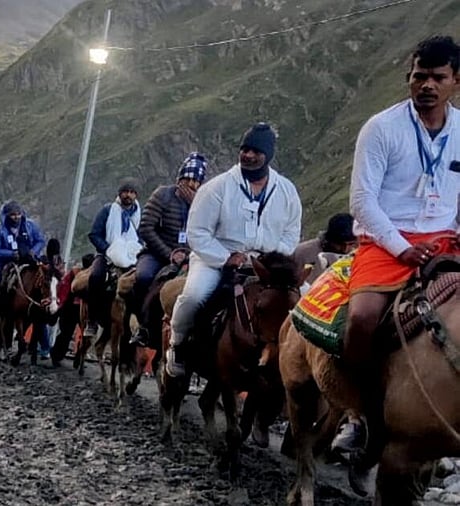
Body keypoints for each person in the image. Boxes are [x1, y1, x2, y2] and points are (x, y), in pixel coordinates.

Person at [330, 36, 460, 474]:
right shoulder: (381, 128)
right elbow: (363, 201)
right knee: (363, 319)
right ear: (409, 77)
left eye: (437, 77)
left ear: (455, 82)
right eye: (418, 75)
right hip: (387, 243)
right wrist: (404, 248)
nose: (426, 84)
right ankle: (361, 418)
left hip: (447, 241)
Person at [166, 122, 302, 377]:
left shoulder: (287, 191)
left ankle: (298, 361)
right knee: (193, 296)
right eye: (245, 149)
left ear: (268, 155)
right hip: (214, 258)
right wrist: (226, 257)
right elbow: (198, 233)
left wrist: (271, 258)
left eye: (256, 151)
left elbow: (291, 233)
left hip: (265, 264)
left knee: (303, 301)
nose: (248, 155)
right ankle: (178, 345)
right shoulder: (216, 188)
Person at [130, 153, 208, 347]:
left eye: (196, 181)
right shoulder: (162, 195)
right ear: (179, 178)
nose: (191, 185)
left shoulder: (205, 203)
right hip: (157, 253)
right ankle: (142, 326)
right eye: (187, 179)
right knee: (144, 277)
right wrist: (169, 253)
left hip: (190, 256)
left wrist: (196, 206)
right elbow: (146, 228)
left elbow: (207, 231)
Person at [83, 178, 142, 339]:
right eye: (125, 192)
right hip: (106, 254)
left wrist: (136, 250)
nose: (128, 195)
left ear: (136, 195)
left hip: (130, 256)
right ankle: (92, 320)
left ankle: (139, 325)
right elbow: (94, 234)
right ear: (120, 193)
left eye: (131, 192)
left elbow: (141, 237)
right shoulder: (108, 210)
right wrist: (108, 250)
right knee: (96, 277)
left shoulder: (139, 215)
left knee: (142, 281)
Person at [0, 200, 46, 323]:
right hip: (6, 261)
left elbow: (40, 240)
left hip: (29, 258)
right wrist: (11, 254)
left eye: (18, 214)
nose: (16, 217)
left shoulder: (30, 225)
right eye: (13, 214)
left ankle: (44, 307)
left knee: (46, 277)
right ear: (6, 215)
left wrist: (33, 252)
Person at [292, 212, 358, 287]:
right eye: (340, 244)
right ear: (330, 239)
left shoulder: (358, 255)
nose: (345, 249)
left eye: (350, 244)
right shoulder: (303, 253)